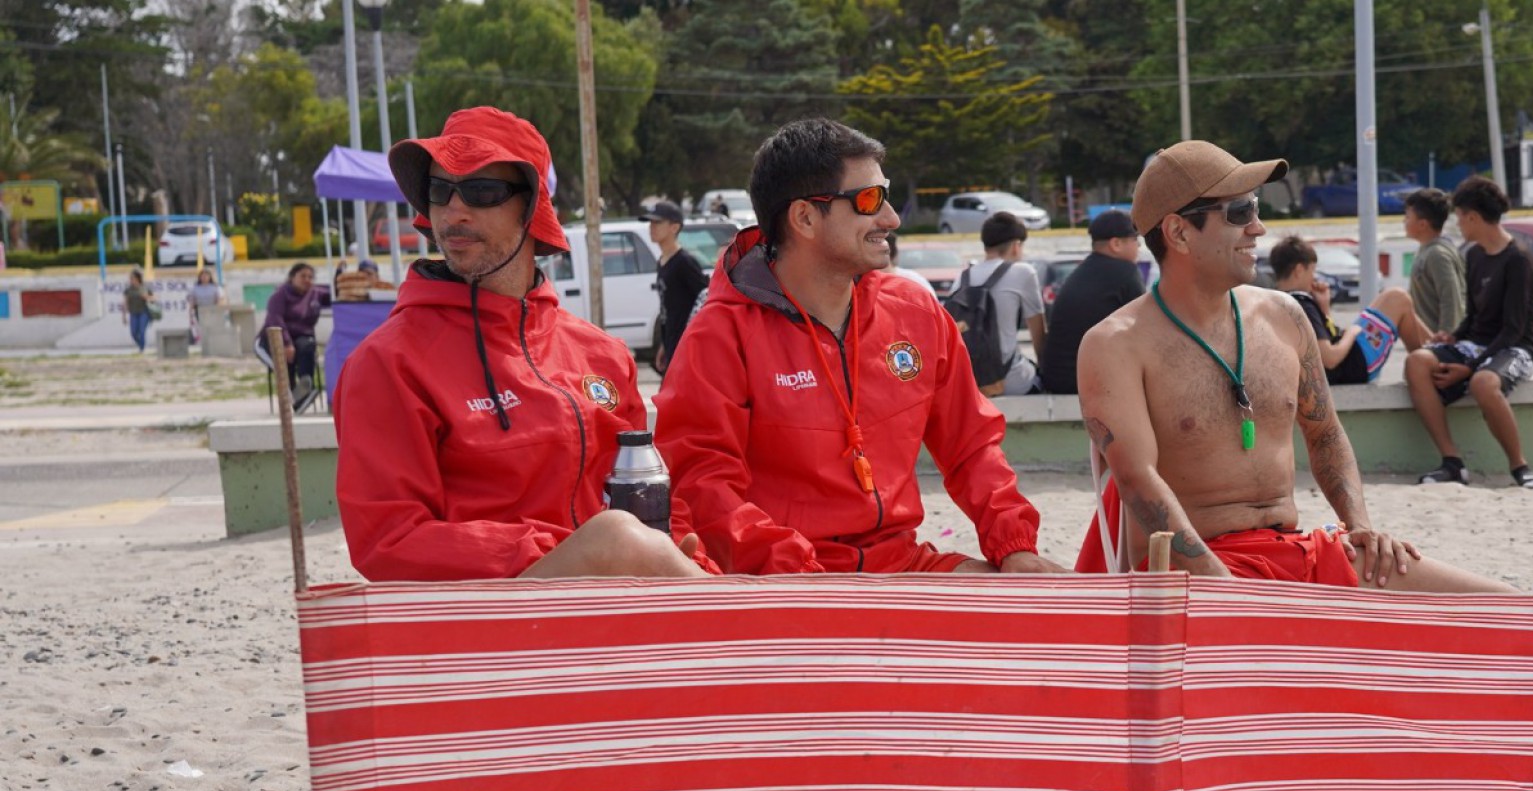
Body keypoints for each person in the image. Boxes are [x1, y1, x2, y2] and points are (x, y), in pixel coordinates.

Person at [1075, 138, 1508, 593]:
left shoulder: (1284, 315)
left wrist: (1359, 525)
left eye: (1256, 209)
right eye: (1239, 212)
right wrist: (1226, 590)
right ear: (1179, 232)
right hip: (1192, 572)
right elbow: (1136, 480)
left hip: (1297, 553)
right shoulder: (1115, 344)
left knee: (1507, 609)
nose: (1258, 229)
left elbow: (1325, 434)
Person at [656, 117, 1065, 576]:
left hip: (901, 563)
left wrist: (1014, 545)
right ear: (805, 218)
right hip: (782, 579)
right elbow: (703, 488)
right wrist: (805, 577)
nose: (891, 219)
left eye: (885, 195)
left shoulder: (915, 311)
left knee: (1042, 604)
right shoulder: (720, 335)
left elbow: (972, 447)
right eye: (870, 200)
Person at [332, 105, 709, 582]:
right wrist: (575, 550)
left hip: (618, 617)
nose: (453, 211)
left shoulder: (603, 355)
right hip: (492, 629)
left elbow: (648, 499)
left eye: (481, 191)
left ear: (531, 207)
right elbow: (387, 539)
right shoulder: (389, 362)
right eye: (439, 191)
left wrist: (681, 550)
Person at [1402, 175, 1533, 489]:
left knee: (1483, 382)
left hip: (1515, 347)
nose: (1458, 226)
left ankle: (1520, 466)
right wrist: (1453, 336)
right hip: (1477, 345)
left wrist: (1467, 369)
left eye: (1460, 219)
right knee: (1417, 362)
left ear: (1473, 217)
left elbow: (1513, 329)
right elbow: (1474, 316)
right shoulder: (1475, 255)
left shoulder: (1518, 259)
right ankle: (1452, 462)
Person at [1268, 235, 1431, 386]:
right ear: (1299, 270)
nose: (1314, 277)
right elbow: (1329, 359)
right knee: (1398, 298)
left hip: (1344, 365)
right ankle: (1429, 363)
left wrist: (1324, 307)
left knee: (1394, 300)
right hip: (1354, 365)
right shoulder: (1303, 304)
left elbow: (1321, 340)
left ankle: (1434, 349)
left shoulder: (1275, 301)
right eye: (1312, 270)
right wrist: (1351, 334)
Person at [1038, 208, 1145, 396]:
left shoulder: (1084, 270)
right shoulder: (1124, 272)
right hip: (1085, 382)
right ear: (1116, 244)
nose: (1139, 247)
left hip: (1058, 379)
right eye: (1136, 240)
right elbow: (1146, 327)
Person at [950, 210, 1045, 396]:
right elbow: (1038, 335)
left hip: (969, 383)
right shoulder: (1023, 272)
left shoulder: (962, 278)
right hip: (1011, 381)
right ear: (1016, 246)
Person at [641, 199, 705, 373]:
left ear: (674, 227)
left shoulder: (684, 262)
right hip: (671, 343)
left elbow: (706, 299)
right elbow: (667, 309)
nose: (652, 227)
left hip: (686, 346)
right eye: (650, 222)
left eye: (658, 222)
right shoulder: (662, 262)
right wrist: (664, 343)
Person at [256, 263, 329, 411]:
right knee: (284, 362)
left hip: (300, 339)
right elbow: (275, 319)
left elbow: (336, 293)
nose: (307, 280)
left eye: (310, 277)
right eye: (303, 276)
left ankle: (305, 388)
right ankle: (294, 400)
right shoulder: (280, 295)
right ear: (292, 277)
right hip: (272, 340)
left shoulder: (316, 293)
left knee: (307, 346)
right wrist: (287, 343)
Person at [1404, 188, 1465, 337]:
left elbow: (1450, 298)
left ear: (1423, 224)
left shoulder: (1437, 254)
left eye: (1407, 217)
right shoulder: (1426, 251)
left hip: (1437, 344)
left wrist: (1445, 336)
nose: (1404, 222)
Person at [187, 267, 223, 344]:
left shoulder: (215, 287)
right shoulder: (195, 288)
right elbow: (192, 300)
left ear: (210, 277)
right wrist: (191, 312)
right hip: (200, 311)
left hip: (212, 311)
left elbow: (219, 300)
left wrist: (217, 310)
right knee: (202, 328)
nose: (204, 277)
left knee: (212, 328)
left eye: (206, 275)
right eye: (202, 276)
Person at [121, 269, 153, 353]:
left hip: (144, 312)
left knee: (142, 331)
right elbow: (125, 302)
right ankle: (140, 344)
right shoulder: (128, 290)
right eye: (130, 279)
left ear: (138, 279)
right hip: (133, 313)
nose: (131, 281)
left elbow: (153, 298)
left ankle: (142, 348)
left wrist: (146, 297)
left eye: (133, 278)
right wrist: (124, 316)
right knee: (134, 332)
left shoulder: (144, 287)